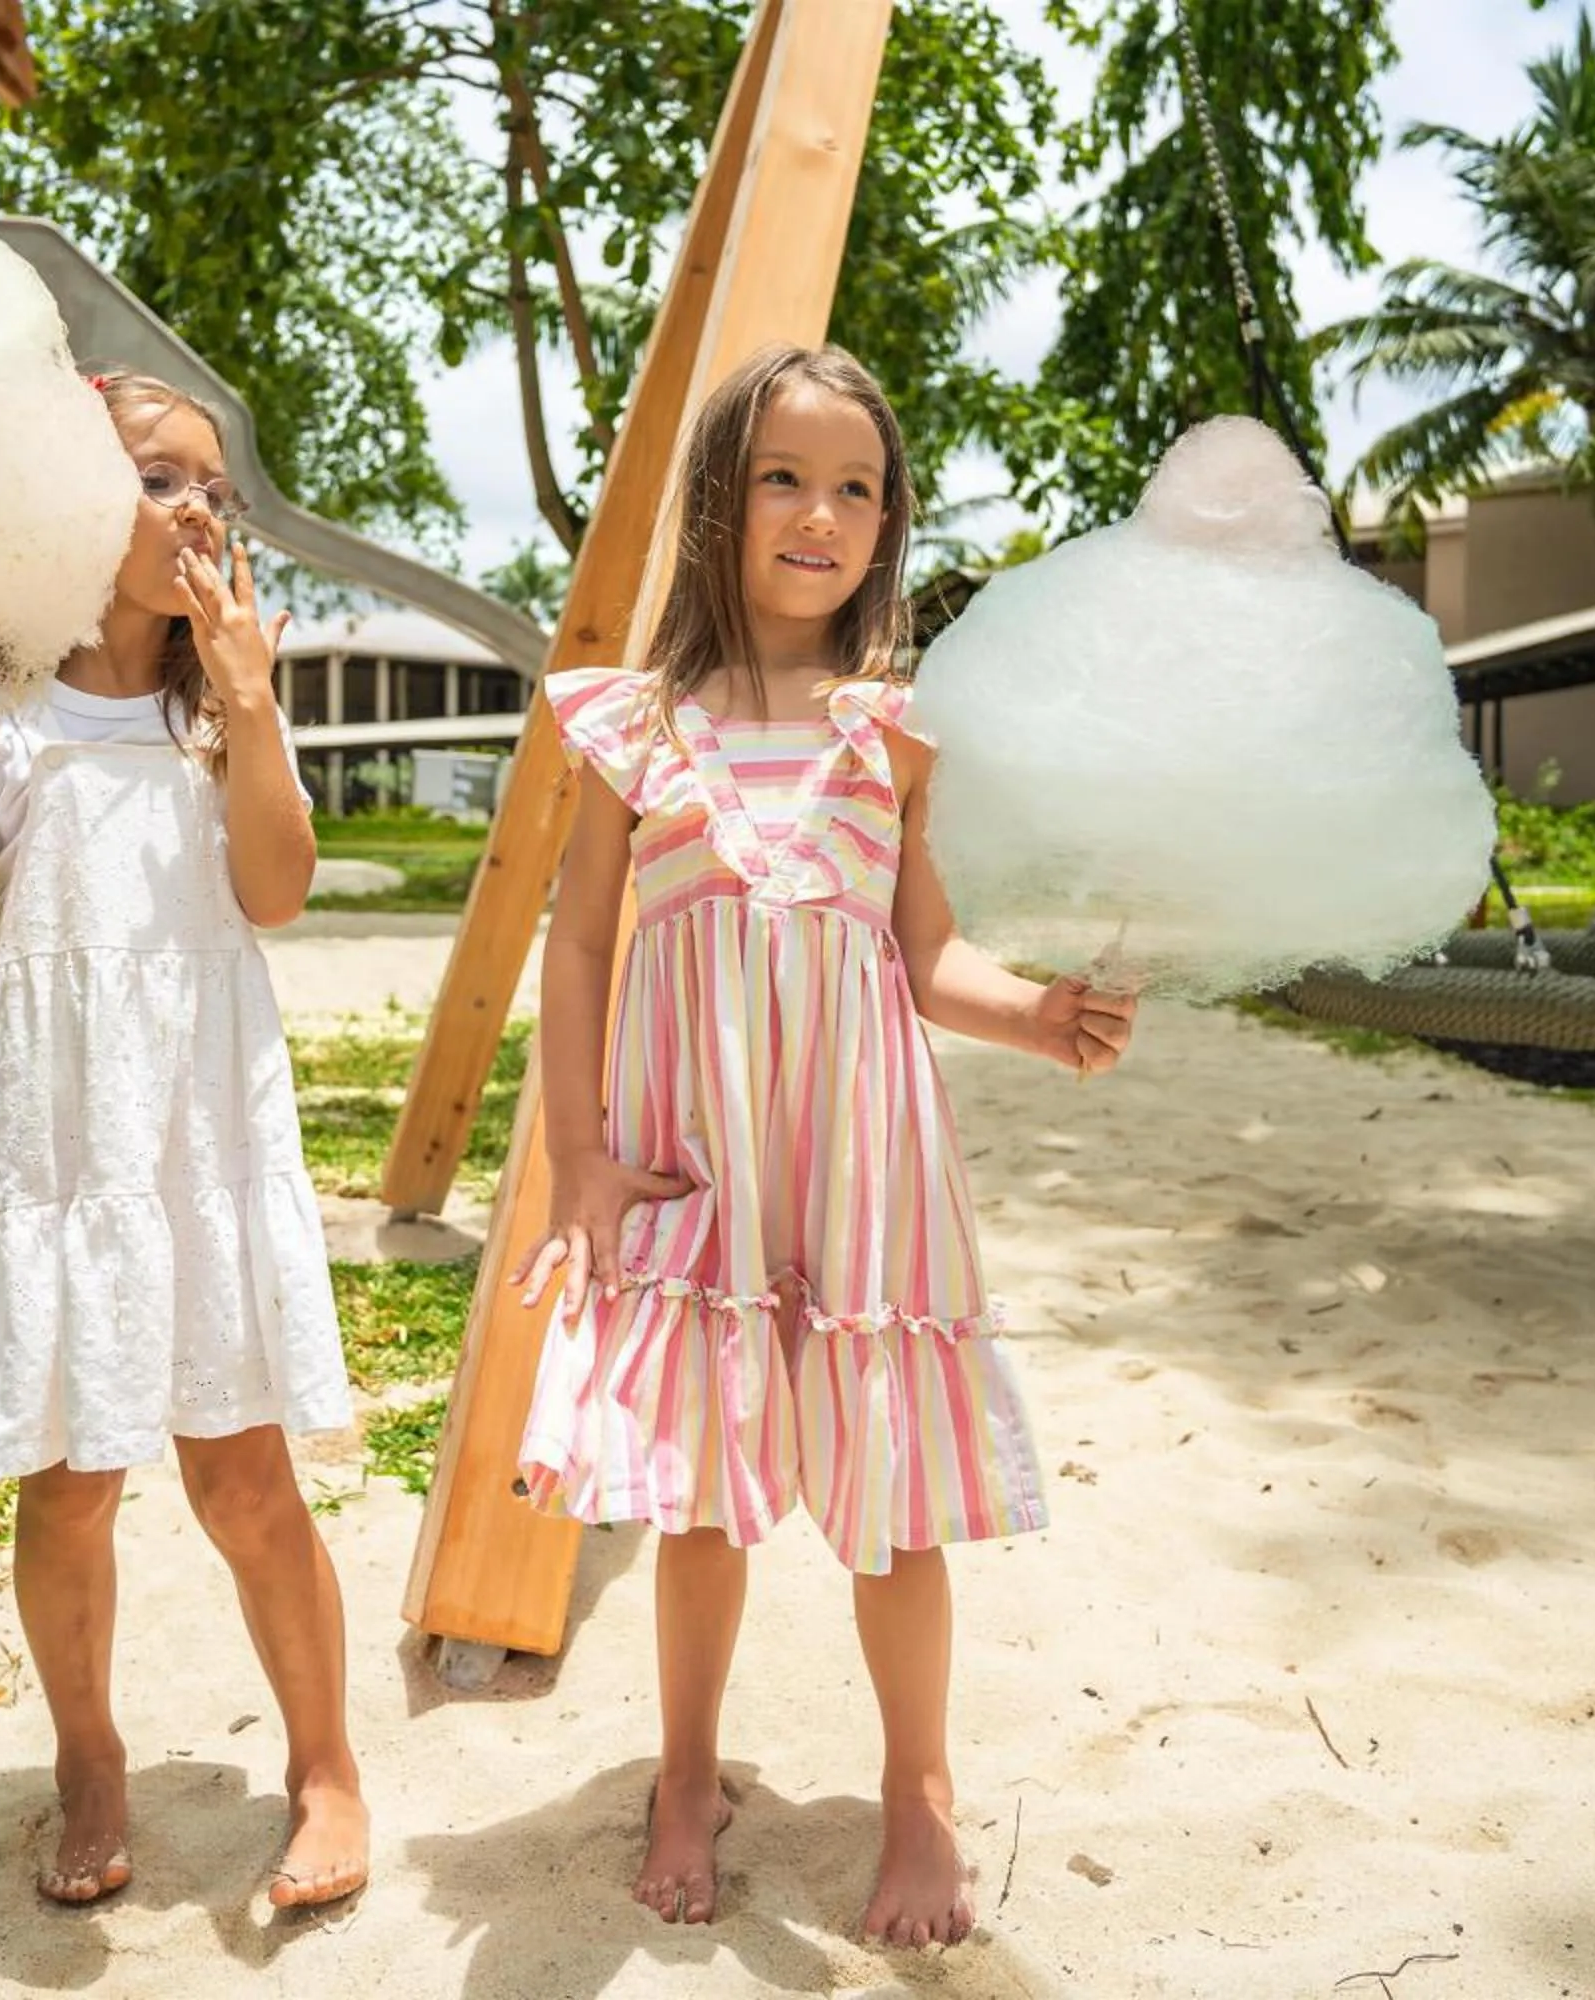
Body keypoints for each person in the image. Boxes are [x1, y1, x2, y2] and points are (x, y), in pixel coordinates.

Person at [513, 344, 1138, 1946]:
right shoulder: (630, 722)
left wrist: (1036, 1013)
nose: (822, 514)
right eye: (786, 477)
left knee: (894, 1497)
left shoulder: (902, 728)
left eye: (858, 487)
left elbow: (923, 951)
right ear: (720, 500)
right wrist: (580, 1158)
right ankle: (686, 1767)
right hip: (697, 1158)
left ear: (890, 523)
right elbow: (579, 948)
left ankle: (919, 1788)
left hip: (863, 1168)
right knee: (702, 1495)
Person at [0, 372, 366, 1911]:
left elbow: (275, 891)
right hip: (65, 1147)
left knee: (245, 1478)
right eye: (159, 478)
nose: (198, 508)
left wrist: (255, 698)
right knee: (72, 1482)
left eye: (211, 484)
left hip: (197, 1136)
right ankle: (87, 1756)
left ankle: (328, 1764)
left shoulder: (215, 708)